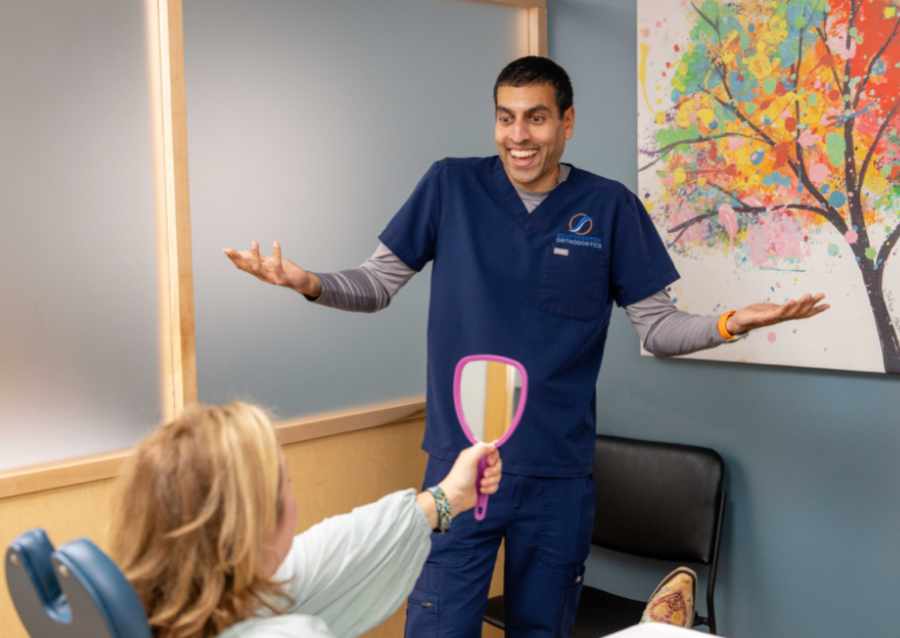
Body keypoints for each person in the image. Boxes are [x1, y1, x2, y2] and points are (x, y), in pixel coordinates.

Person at [224, 56, 829, 636]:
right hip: (461, 468)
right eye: (506, 117)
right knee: (438, 623)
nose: (518, 135)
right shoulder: (450, 185)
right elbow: (378, 284)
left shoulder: (609, 207)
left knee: (543, 627)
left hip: (557, 473)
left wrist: (729, 324)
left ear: (566, 122)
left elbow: (658, 328)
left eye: (536, 117)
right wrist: (310, 284)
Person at [108, 401, 502, 637]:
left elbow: (338, 548)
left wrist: (447, 498)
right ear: (251, 527)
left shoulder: (162, 608)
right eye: (286, 485)